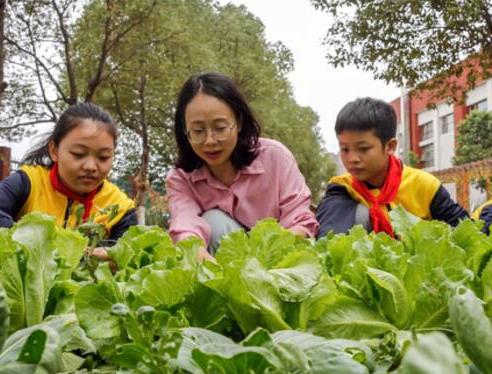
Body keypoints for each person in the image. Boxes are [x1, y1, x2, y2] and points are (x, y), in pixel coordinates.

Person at [0, 103, 137, 256]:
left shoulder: (121, 207)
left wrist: (117, 258)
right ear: (54, 150)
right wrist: (36, 240)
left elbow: (133, 258)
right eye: (78, 154)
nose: (90, 166)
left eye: (103, 157)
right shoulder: (30, 182)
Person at [166, 72, 318, 262]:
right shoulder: (181, 177)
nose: (210, 141)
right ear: (184, 131)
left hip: (276, 264)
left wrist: (262, 261)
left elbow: (300, 221)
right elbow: (185, 228)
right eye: (198, 131)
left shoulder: (275, 157)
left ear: (238, 122)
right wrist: (202, 260)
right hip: (222, 271)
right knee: (214, 221)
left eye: (220, 128)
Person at [316, 97, 469, 238]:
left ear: (390, 146)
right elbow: (332, 234)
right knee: (360, 215)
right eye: (345, 149)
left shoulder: (424, 185)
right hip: (366, 267)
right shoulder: (342, 188)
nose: (352, 159)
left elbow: (464, 231)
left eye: (363, 149)